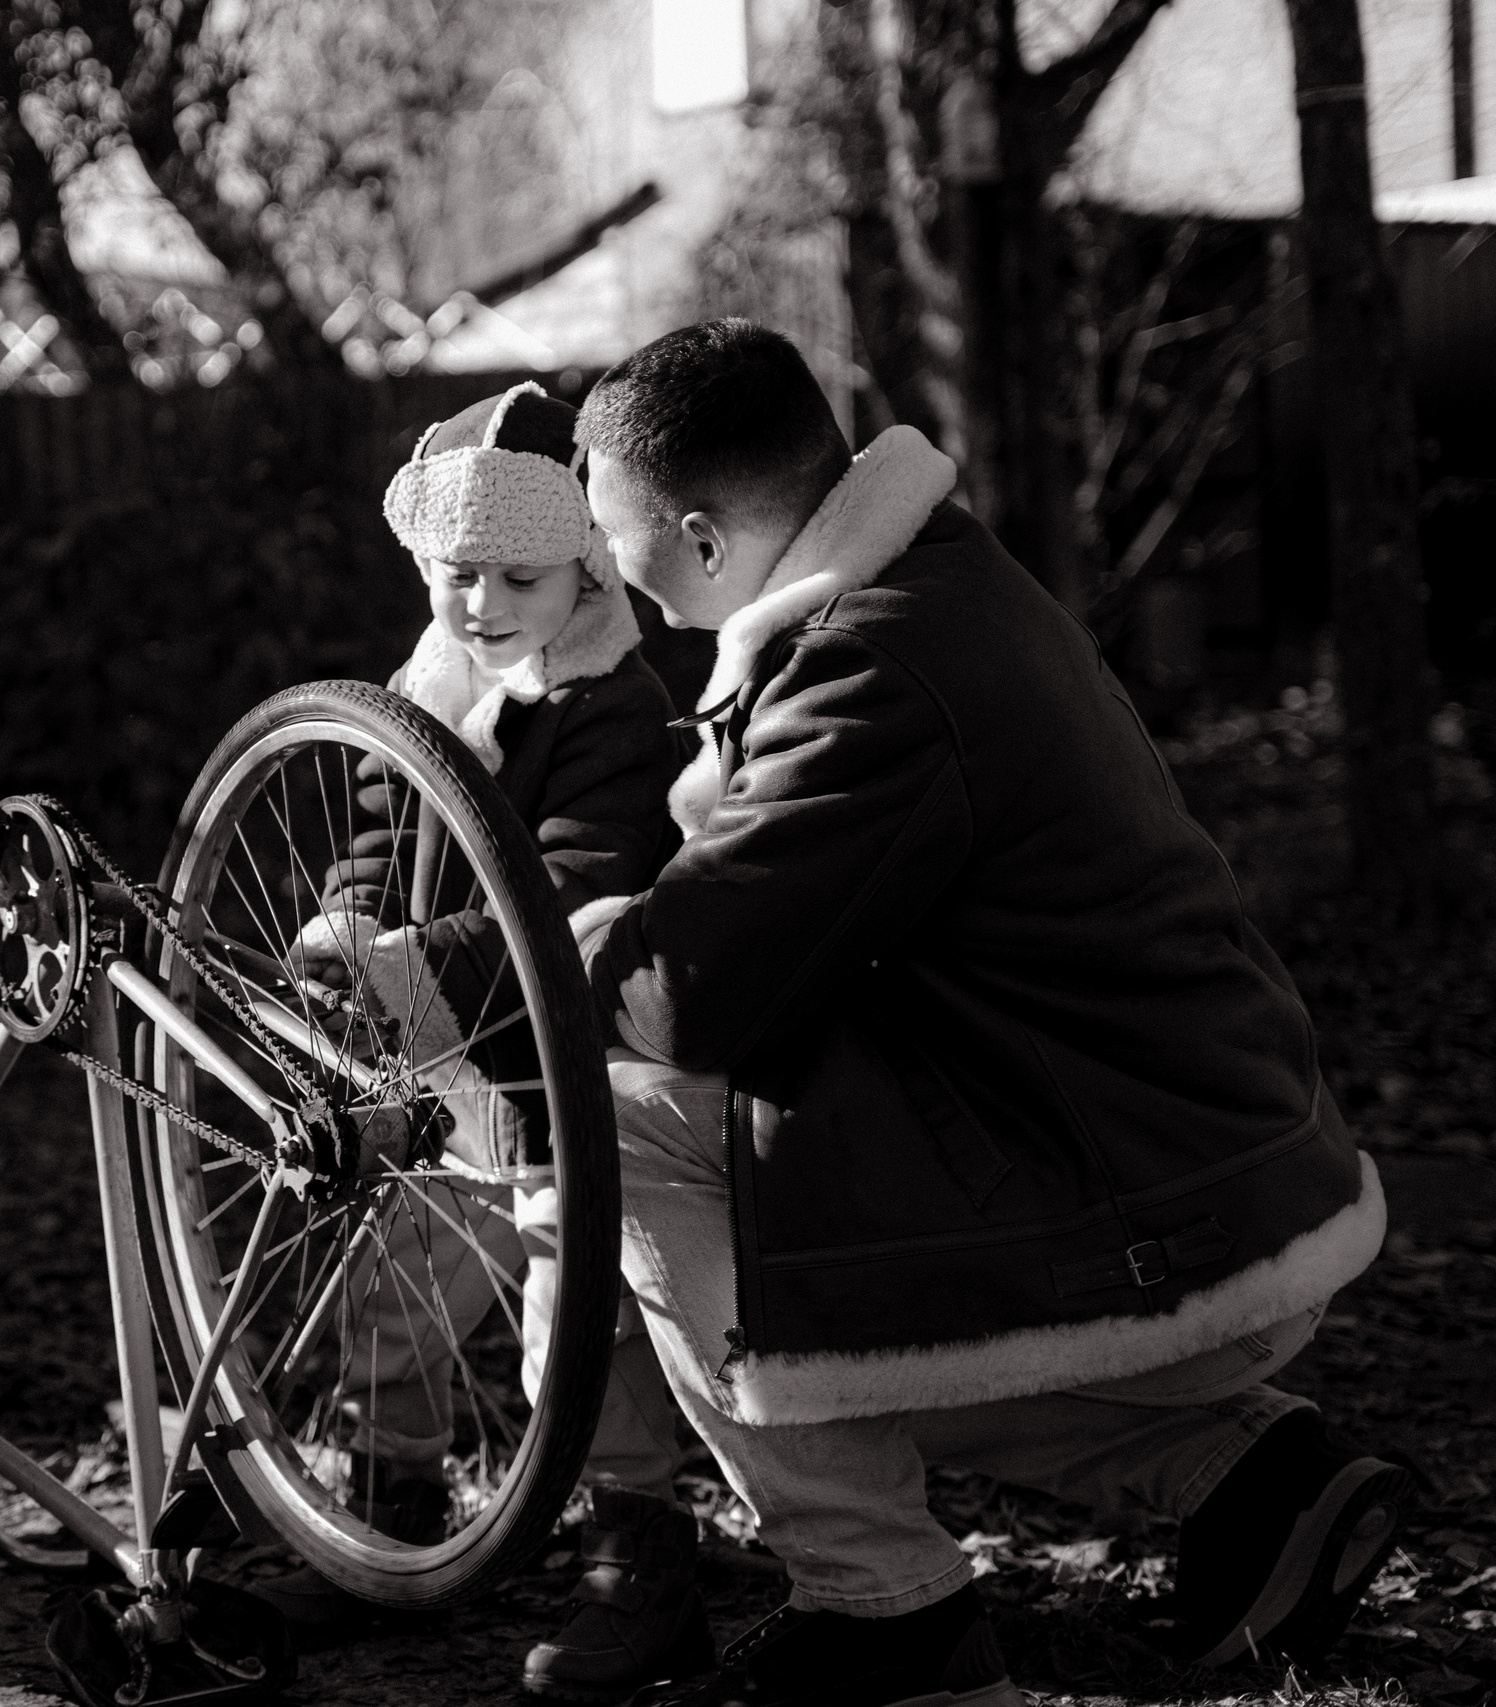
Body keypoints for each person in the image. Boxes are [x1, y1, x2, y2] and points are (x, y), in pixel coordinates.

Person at [573, 321, 1407, 1707]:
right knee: (807, 1248)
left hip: (1155, 1210)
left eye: (616, 535)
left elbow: (693, 993)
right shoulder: (933, 577)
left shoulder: (867, 668)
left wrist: (578, 939)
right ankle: (1250, 1474)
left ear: (708, 539)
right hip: (1207, 1164)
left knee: (634, 1132)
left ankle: (878, 1608)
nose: (607, 567)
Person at [254, 382, 707, 1699]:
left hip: (566, 1063)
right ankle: (390, 1512)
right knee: (396, 1274)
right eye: (458, 572)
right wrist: (343, 927)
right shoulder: (426, 688)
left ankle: (638, 1551)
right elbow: (384, 839)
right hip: (434, 1060)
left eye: (520, 573)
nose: (482, 601)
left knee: (582, 1304)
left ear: (584, 571)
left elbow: (576, 896)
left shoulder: (614, 713)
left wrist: (409, 964)